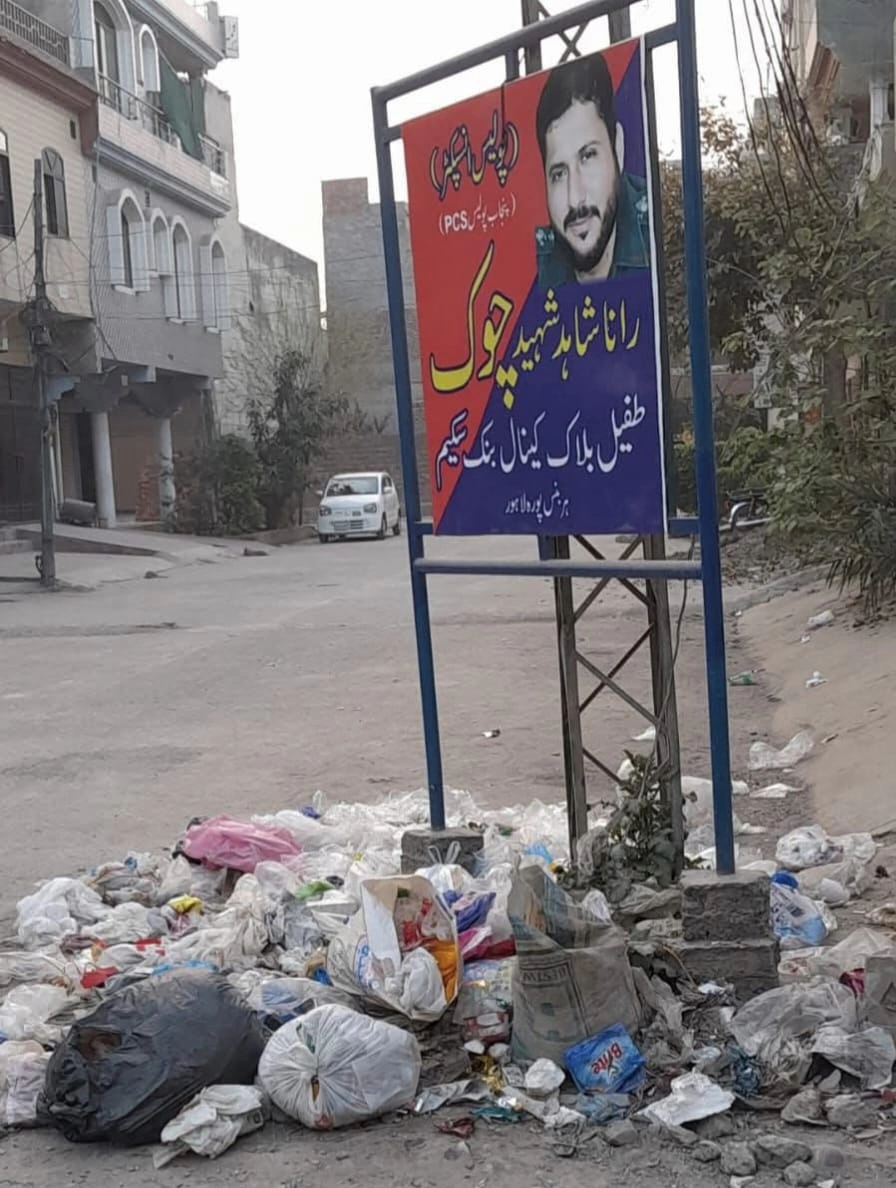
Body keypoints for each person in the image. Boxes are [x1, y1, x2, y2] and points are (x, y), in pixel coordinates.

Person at [535, 52, 651, 286]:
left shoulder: (662, 235)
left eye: (588, 156)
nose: (575, 199)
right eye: (558, 174)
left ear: (617, 148)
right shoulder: (535, 270)